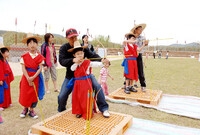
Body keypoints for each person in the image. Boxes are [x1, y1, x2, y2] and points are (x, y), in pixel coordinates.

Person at [58, 28, 110, 118]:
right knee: (62, 95)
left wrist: (101, 59)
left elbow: (92, 55)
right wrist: (73, 60)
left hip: (86, 76)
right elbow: (62, 61)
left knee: (97, 86)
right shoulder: (64, 48)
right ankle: (61, 111)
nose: (73, 39)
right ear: (67, 38)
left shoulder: (82, 47)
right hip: (71, 76)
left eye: (75, 37)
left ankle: (104, 108)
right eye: (71, 38)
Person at [68, 40, 104, 119]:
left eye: (81, 53)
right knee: (77, 97)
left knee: (86, 98)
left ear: (84, 54)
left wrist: (103, 63)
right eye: (77, 54)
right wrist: (76, 63)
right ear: (74, 55)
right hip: (77, 83)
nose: (80, 55)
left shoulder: (87, 62)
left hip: (86, 83)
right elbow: (72, 69)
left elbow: (95, 64)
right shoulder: (75, 64)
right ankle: (78, 112)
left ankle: (87, 112)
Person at [19, 33, 45, 119]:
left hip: (35, 78)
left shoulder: (40, 57)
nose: (32, 45)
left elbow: (40, 68)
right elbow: (23, 68)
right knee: (25, 93)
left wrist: (33, 77)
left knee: (34, 94)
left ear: (37, 44)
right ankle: (25, 109)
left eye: (34, 42)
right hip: (26, 77)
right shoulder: (24, 56)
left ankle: (31, 110)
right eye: (30, 43)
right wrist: (28, 78)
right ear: (27, 45)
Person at [131, 23, 149, 92]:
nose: (141, 31)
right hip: (132, 55)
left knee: (140, 70)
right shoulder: (131, 37)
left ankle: (143, 85)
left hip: (139, 55)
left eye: (142, 29)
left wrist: (146, 43)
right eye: (140, 29)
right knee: (130, 70)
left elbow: (145, 44)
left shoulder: (142, 37)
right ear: (136, 30)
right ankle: (127, 85)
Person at [0, 44, 14, 110]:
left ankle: (8, 102)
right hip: (3, 78)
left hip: (7, 78)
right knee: (2, 91)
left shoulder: (5, 60)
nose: (8, 53)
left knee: (7, 90)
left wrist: (10, 75)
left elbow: (9, 69)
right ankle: (1, 105)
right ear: (2, 53)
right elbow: (1, 70)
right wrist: (1, 79)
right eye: (7, 52)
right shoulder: (0, 61)